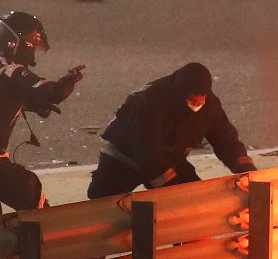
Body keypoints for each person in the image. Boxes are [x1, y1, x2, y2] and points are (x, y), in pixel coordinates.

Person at [0, 11, 85, 220]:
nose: (35, 53)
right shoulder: (11, 70)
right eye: (35, 46)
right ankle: (57, 249)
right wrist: (70, 79)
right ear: (19, 42)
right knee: (32, 196)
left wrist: (33, 104)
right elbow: (56, 92)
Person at [87, 62, 257, 199]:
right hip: (124, 156)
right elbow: (148, 152)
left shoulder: (209, 106)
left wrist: (243, 165)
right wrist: (171, 187)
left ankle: (191, 237)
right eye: (192, 100)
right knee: (106, 206)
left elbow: (224, 136)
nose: (197, 105)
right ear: (180, 93)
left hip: (170, 155)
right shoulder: (151, 103)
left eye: (201, 100)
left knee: (196, 200)